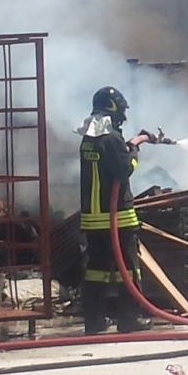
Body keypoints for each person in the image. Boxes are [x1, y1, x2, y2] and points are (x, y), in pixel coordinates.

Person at [74, 86, 155, 335]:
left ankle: (94, 322)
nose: (123, 114)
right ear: (113, 108)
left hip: (92, 219)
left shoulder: (89, 138)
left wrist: (129, 144)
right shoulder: (112, 139)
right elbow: (124, 169)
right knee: (128, 269)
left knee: (97, 270)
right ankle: (130, 320)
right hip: (118, 217)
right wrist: (135, 149)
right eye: (121, 109)